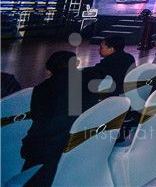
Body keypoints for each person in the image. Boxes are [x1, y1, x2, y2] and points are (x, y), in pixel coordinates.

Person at [21, 51, 98, 187]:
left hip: (49, 146)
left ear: (50, 68)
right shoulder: (88, 82)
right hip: (82, 138)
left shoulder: (42, 89)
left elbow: (38, 116)